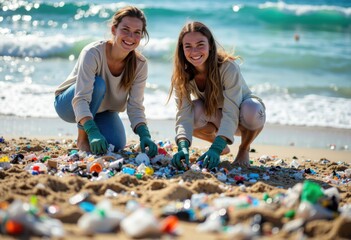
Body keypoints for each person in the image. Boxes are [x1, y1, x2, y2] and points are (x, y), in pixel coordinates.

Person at [54, 6, 157, 156]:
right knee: (98, 84)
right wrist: (92, 131)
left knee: (116, 144)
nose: (130, 37)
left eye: (137, 33)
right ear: (114, 30)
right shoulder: (93, 52)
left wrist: (144, 135)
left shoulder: (140, 64)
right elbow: (81, 98)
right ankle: (82, 139)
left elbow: (135, 105)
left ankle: (91, 128)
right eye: (125, 30)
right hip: (68, 104)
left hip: (102, 110)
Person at [168, 21, 266, 170]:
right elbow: (183, 114)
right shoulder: (182, 75)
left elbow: (231, 110)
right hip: (217, 118)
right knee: (193, 111)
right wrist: (182, 147)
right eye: (188, 46)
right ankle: (221, 145)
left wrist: (215, 148)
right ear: (182, 49)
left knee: (252, 109)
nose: (194, 51)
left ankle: (243, 149)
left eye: (200, 44)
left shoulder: (228, 67)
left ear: (210, 45)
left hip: (243, 118)